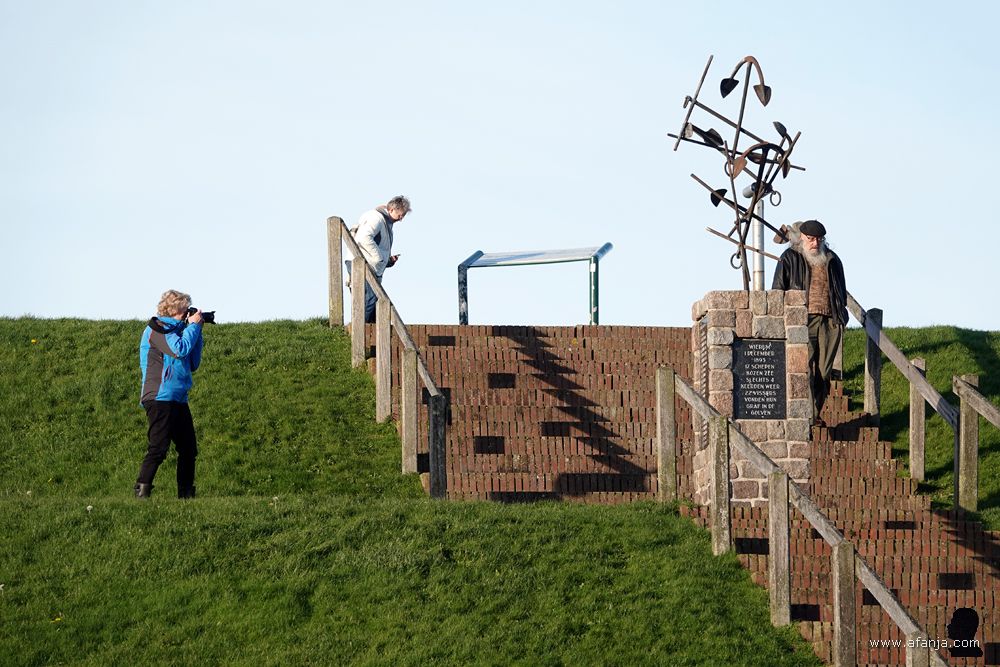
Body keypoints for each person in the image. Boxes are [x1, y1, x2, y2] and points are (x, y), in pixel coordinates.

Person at [771, 220, 848, 427]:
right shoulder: (789, 257)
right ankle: (807, 419)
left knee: (824, 372)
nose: (815, 243)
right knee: (803, 370)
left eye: (819, 239)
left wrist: (841, 318)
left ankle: (813, 414)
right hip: (802, 321)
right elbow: (777, 290)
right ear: (801, 238)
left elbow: (841, 290)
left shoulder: (833, 260)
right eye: (811, 239)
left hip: (829, 321)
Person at [134, 289, 205, 499]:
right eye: (184, 310)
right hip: (159, 397)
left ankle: (185, 495)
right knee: (158, 447)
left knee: (188, 449)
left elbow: (193, 363)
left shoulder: (180, 331)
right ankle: (142, 490)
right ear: (173, 308)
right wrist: (192, 327)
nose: (187, 314)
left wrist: (197, 331)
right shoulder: (157, 329)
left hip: (178, 398)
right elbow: (180, 350)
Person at [350, 195, 411, 323]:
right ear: (392, 209)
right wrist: (379, 258)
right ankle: (358, 332)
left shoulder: (385, 223)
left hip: (367, 263)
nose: (401, 219)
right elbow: (363, 238)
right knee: (370, 298)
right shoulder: (376, 219)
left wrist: (387, 261)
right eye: (400, 215)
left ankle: (368, 334)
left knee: (374, 302)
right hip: (361, 263)